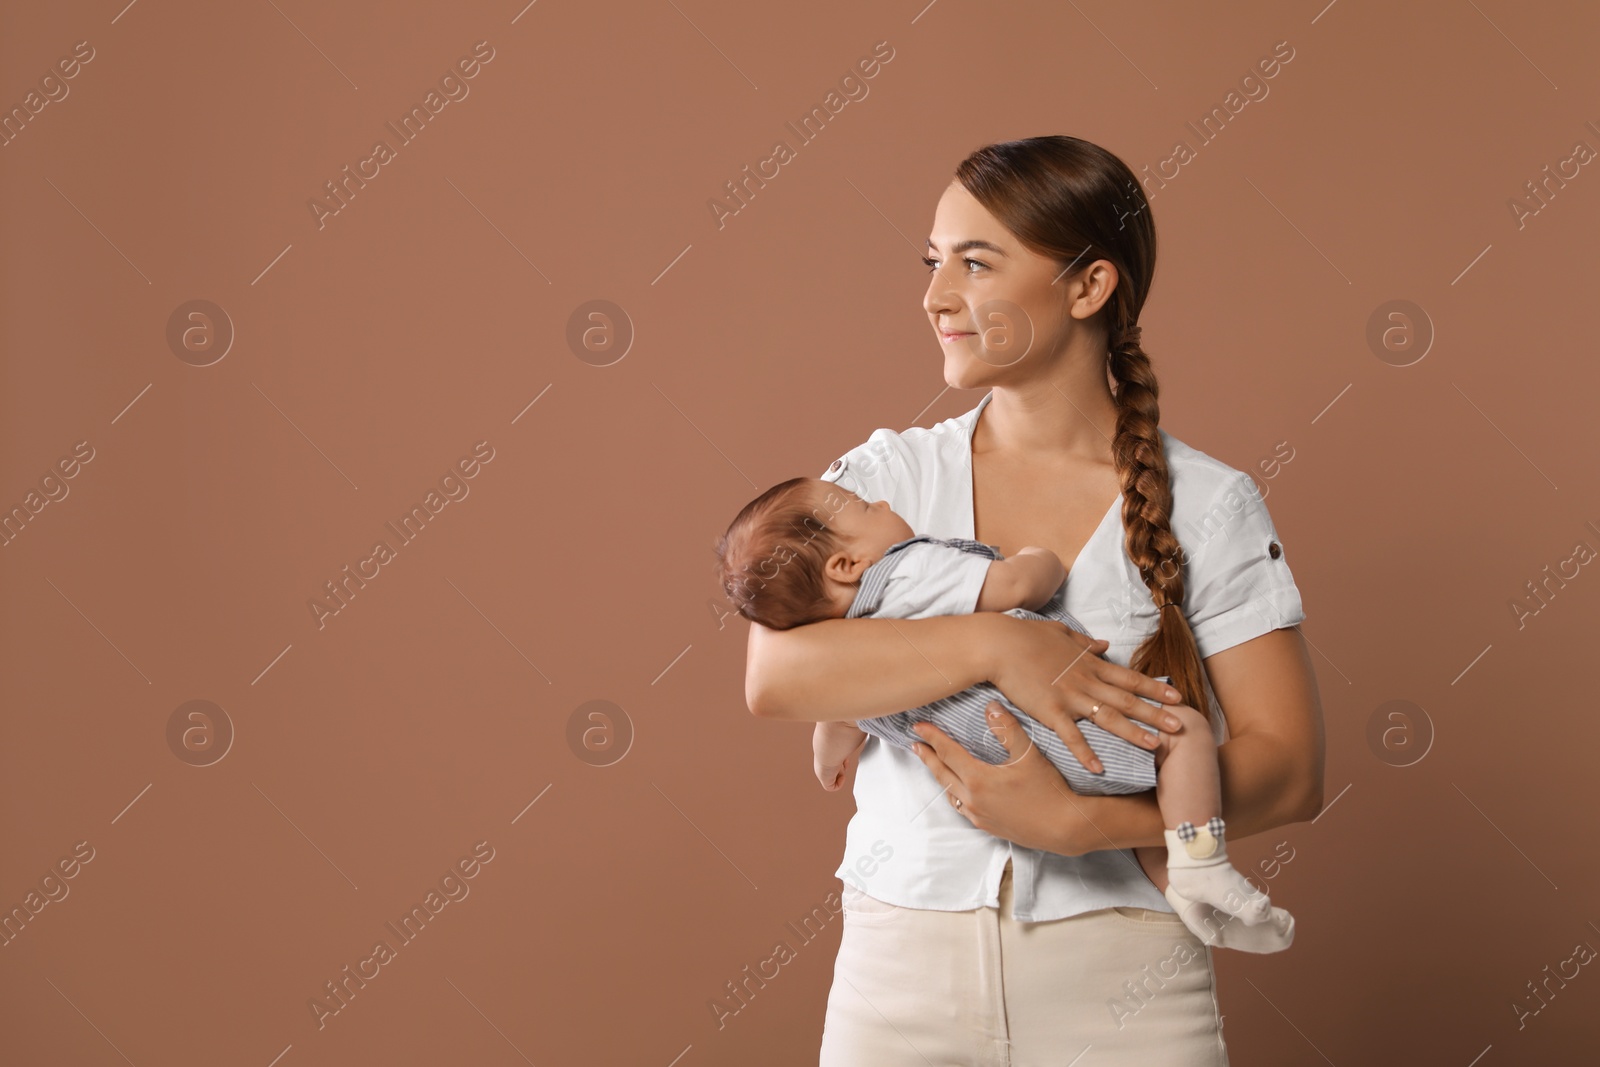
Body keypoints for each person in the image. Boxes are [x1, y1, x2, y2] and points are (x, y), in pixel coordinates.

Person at [740, 135, 1325, 1066]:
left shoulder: (1209, 502)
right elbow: (777, 676)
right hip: (901, 976)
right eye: (935, 262)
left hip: (1127, 987)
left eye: (977, 263)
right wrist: (1001, 647)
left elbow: (1291, 768)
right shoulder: (885, 479)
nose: (936, 296)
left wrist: (1086, 824)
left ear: (1089, 288)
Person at [716, 476, 1294, 952]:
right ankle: (1201, 863)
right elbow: (1016, 584)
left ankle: (1189, 898)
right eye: (868, 507)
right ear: (846, 564)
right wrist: (1041, 561)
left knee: (1138, 795)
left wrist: (830, 761)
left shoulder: (848, 661)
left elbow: (835, 719)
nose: (884, 502)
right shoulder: (906, 569)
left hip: (987, 756)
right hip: (1050, 726)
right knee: (1181, 734)